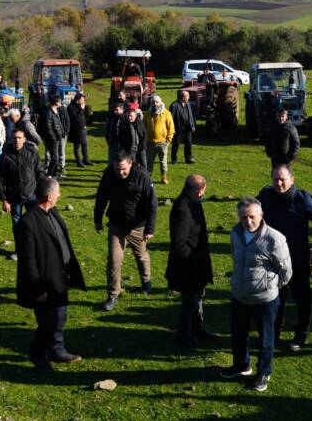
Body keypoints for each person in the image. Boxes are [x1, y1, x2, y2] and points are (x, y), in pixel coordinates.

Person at [221, 197, 292, 393]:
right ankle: (242, 365)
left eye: (252, 217)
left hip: (264, 299)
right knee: (238, 334)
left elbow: (285, 269)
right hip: (239, 295)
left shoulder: (274, 239)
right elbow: (234, 256)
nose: (248, 221)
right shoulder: (235, 233)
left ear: (261, 215)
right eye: (244, 217)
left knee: (265, 338)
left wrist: (272, 284)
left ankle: (263, 372)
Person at [257, 164, 312, 352]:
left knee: (301, 297)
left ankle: (301, 333)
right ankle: (274, 333)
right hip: (272, 259)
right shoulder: (265, 196)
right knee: (274, 298)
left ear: (292, 179)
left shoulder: (303, 199)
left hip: (297, 258)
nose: (279, 183)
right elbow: (252, 217)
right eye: (275, 179)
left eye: (283, 179)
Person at [14, 176, 85, 370]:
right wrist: (37, 289)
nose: (60, 194)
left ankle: (57, 350)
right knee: (48, 323)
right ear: (49, 196)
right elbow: (28, 260)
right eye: (57, 192)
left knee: (60, 317)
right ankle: (37, 355)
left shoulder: (52, 212)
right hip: (44, 282)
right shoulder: (28, 223)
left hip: (59, 277)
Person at [94, 152, 158, 310]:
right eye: (117, 169)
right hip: (116, 226)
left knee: (141, 255)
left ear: (131, 163)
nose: (120, 172)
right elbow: (101, 196)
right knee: (114, 260)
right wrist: (97, 219)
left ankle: (146, 283)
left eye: (123, 169)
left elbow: (152, 204)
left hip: (138, 226)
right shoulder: (109, 174)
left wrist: (149, 229)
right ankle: (113, 295)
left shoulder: (143, 176)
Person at [166, 174, 216, 347]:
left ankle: (197, 327)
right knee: (189, 302)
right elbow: (179, 243)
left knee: (197, 298)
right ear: (200, 190)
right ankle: (185, 335)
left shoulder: (192, 203)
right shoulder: (183, 209)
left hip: (197, 263)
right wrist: (192, 262)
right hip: (188, 266)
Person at [0, 128, 45, 242]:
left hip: (31, 195)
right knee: (17, 225)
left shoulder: (32, 153)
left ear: (24, 139)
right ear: (10, 140)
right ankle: (19, 250)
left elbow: (40, 172)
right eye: (14, 138)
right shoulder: (4, 156)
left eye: (19, 138)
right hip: (14, 197)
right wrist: (4, 199)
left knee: (34, 223)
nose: (17, 140)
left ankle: (34, 248)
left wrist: (41, 193)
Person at [144, 94, 175, 185]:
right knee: (149, 161)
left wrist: (168, 139)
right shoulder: (147, 113)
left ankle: (163, 177)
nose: (155, 104)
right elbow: (143, 126)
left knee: (163, 161)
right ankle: (148, 177)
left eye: (157, 102)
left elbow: (171, 127)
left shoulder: (166, 113)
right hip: (149, 142)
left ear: (160, 102)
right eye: (153, 102)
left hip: (162, 142)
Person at [41, 95, 68, 177]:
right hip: (53, 139)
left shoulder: (56, 111)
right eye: (60, 102)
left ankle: (54, 175)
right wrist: (53, 138)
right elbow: (48, 127)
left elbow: (58, 124)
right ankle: (49, 175)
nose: (61, 103)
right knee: (55, 158)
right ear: (56, 103)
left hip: (58, 138)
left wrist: (62, 134)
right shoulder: (49, 113)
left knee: (55, 158)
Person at [169, 90, 197, 165]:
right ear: (183, 98)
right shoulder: (174, 105)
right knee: (176, 144)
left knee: (188, 143)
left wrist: (192, 126)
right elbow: (170, 119)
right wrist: (173, 129)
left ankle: (188, 158)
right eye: (188, 96)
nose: (189, 97)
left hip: (187, 129)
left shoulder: (188, 104)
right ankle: (174, 159)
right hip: (178, 129)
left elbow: (190, 115)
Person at [67, 93, 94, 167]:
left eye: (83, 100)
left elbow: (86, 117)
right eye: (82, 100)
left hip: (83, 128)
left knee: (85, 145)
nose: (83, 101)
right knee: (77, 146)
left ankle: (86, 160)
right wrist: (81, 109)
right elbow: (76, 119)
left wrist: (87, 110)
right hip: (76, 130)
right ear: (77, 100)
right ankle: (79, 161)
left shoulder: (81, 106)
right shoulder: (71, 107)